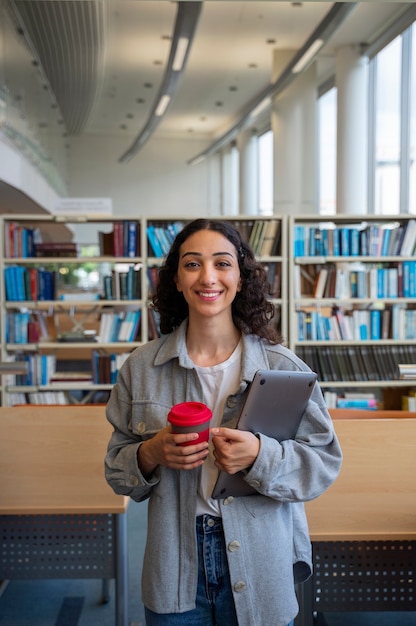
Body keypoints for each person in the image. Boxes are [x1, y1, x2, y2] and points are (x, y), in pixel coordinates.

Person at [104, 218, 342, 626]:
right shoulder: (141, 368)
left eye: (222, 263)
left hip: (260, 556)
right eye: (193, 264)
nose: (208, 277)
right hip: (174, 564)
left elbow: (322, 466)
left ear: (241, 277)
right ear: (176, 279)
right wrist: (150, 452)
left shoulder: (283, 368)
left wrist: (260, 456)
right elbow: (117, 470)